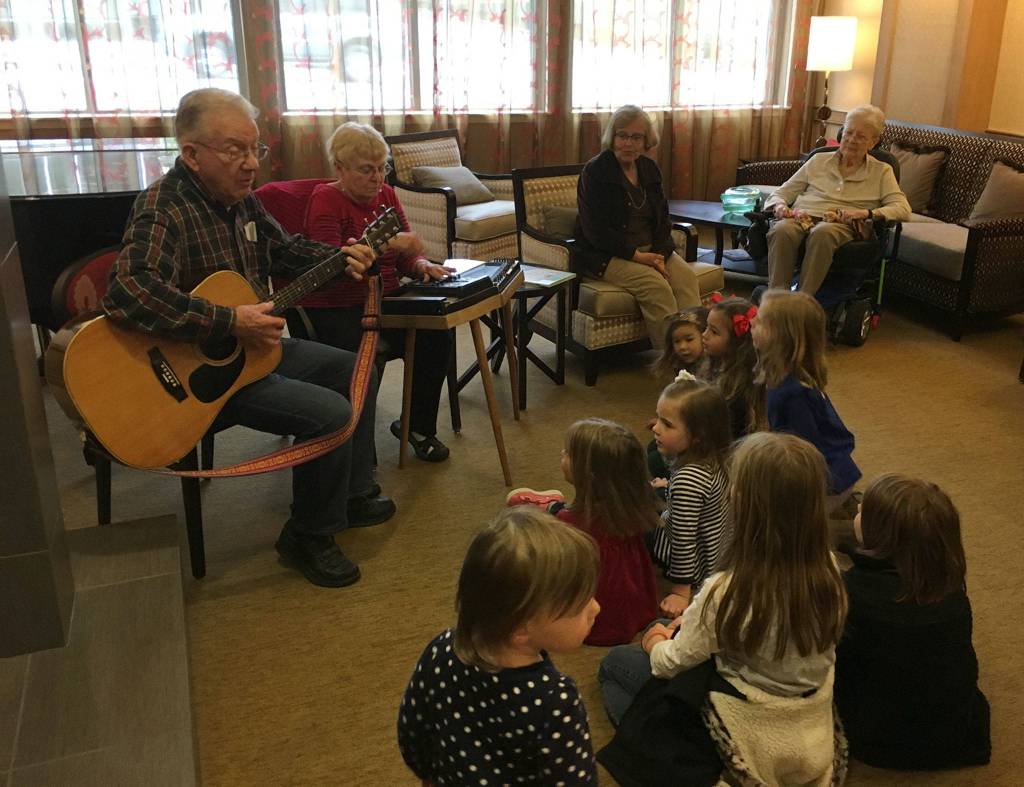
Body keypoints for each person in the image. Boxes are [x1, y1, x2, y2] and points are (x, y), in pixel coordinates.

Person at [102, 88, 393, 589]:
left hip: (253, 352)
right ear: (191, 154)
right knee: (330, 412)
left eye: (254, 149)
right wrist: (227, 321)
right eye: (234, 149)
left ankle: (350, 490)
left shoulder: (244, 206)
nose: (249, 164)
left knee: (356, 369)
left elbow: (286, 251)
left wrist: (343, 258)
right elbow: (129, 292)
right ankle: (308, 534)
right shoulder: (163, 207)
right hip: (198, 380)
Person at [597, 433, 849, 786]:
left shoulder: (726, 590)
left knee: (616, 666)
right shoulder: (828, 567)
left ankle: (693, 767)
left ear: (743, 501)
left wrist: (654, 642)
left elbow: (671, 663)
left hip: (745, 713)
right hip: (804, 714)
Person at [289, 121, 454, 462]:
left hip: (385, 297)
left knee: (437, 338)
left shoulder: (387, 195)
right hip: (337, 304)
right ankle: (357, 452)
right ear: (340, 168)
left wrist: (421, 265)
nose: (377, 178)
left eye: (382, 168)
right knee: (367, 360)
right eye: (366, 170)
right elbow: (332, 268)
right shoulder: (325, 199)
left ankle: (417, 426)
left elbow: (406, 256)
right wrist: (387, 244)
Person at [397, 507, 600, 784]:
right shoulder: (555, 699)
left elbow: (414, 727)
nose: (596, 608)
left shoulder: (441, 648)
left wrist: (429, 776)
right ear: (520, 629)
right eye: (580, 605)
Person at [835, 474, 990, 770]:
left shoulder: (850, 590)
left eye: (862, 512)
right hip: (953, 735)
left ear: (882, 535)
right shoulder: (951, 589)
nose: (855, 513)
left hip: (876, 739)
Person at [506, 418, 661, 646]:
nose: (562, 452)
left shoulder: (573, 525)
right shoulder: (629, 504)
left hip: (598, 619)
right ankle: (553, 505)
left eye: (568, 453)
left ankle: (551, 507)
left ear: (589, 476)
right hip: (635, 607)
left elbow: (555, 570)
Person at [575, 104, 701, 348]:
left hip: (651, 250)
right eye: (622, 135)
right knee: (656, 287)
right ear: (612, 138)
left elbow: (663, 221)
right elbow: (595, 232)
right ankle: (674, 363)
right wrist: (639, 257)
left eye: (636, 137)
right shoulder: (595, 172)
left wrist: (661, 256)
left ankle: (696, 353)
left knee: (686, 279)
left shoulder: (649, 169)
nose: (628, 143)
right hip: (607, 255)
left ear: (646, 141)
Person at [763, 104, 911, 294]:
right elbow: (782, 192)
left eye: (861, 136)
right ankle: (776, 296)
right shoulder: (818, 161)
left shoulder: (882, 171)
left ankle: (802, 300)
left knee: (823, 233)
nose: (852, 140)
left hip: (843, 224)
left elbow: (903, 208)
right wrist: (780, 205)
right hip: (803, 217)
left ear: (873, 142)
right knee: (783, 229)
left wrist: (867, 213)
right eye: (849, 133)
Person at [751, 289, 860, 514]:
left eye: (760, 321)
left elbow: (805, 455)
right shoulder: (781, 373)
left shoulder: (793, 394)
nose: (751, 322)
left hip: (829, 481)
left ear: (781, 337)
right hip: (822, 470)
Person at [649, 378, 732, 619]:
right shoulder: (716, 455)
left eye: (667, 424)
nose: (656, 427)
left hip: (696, 563)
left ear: (697, 436)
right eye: (658, 417)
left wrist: (681, 591)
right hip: (717, 549)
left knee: (635, 521)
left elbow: (683, 537)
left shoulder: (688, 480)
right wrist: (669, 486)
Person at [703, 295, 759, 439]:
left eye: (714, 332)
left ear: (737, 343)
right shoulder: (715, 364)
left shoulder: (739, 391)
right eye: (706, 327)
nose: (704, 335)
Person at [651, 306, 711, 382]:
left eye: (689, 340)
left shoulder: (713, 367)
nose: (682, 347)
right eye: (677, 341)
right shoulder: (674, 364)